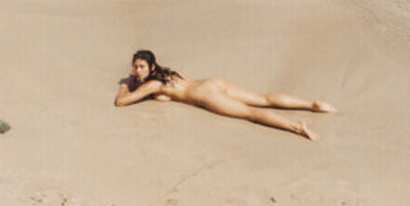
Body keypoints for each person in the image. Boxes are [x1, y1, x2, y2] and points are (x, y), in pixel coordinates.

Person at [114, 49, 335, 140]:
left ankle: (296, 127)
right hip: (212, 82)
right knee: (263, 98)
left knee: (250, 113)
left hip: (205, 95)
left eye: (141, 67)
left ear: (151, 67)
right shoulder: (168, 72)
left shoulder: (152, 85)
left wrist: (126, 84)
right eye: (135, 67)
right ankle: (312, 104)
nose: (137, 71)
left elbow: (121, 103)